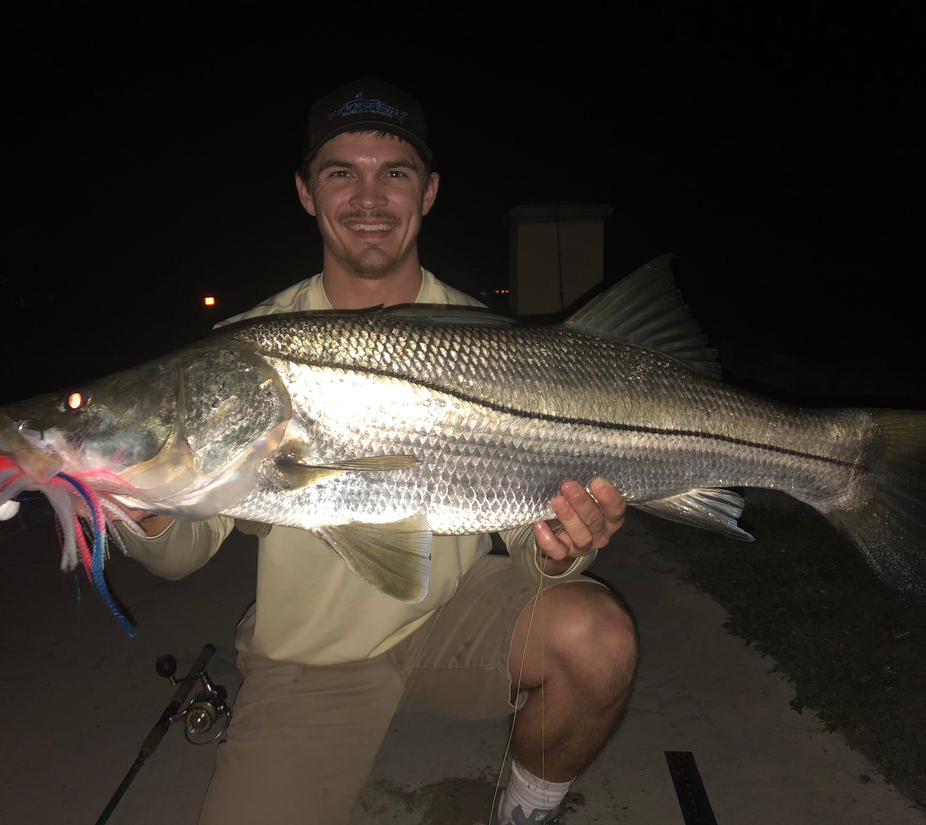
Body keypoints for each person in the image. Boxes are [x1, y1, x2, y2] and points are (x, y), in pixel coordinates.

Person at [117, 79, 638, 825]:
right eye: (341, 172)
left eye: (393, 173)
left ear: (427, 193)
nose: (369, 196)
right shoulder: (248, 348)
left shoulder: (487, 340)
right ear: (305, 191)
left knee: (597, 634)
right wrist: (143, 503)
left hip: (455, 616)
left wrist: (559, 551)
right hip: (311, 662)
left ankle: (524, 812)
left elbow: (532, 545)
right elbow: (183, 548)